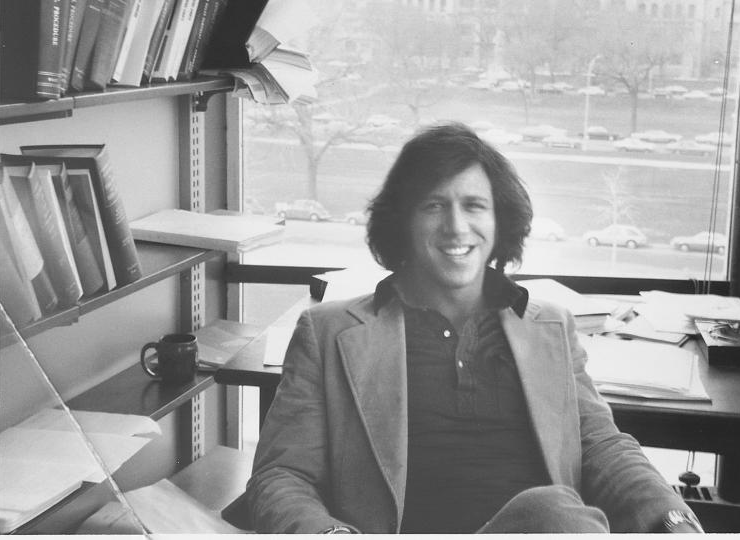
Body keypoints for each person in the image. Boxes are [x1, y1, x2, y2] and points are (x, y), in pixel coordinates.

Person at [247, 122, 703, 534]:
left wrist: (674, 517)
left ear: (498, 220)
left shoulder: (549, 326)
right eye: (433, 206)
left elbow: (603, 447)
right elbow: (279, 477)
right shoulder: (328, 332)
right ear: (403, 221)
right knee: (558, 515)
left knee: (557, 515)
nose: (456, 226)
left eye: (474, 206)